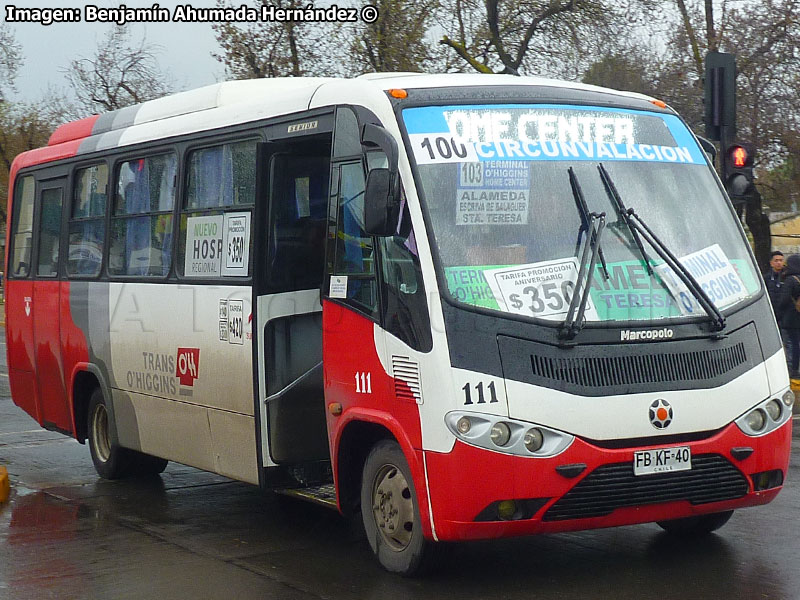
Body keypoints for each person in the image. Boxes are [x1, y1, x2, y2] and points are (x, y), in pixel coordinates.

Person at [777, 253, 800, 378]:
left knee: (791, 344)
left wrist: (779, 313)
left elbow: (784, 300)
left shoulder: (790, 280)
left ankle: (793, 370)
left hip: (790, 318)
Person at [764, 250, 785, 320]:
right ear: (771, 263)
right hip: (771, 310)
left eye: (781, 260)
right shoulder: (766, 277)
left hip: (784, 313)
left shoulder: (787, 277)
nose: (779, 263)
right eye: (776, 260)